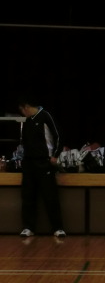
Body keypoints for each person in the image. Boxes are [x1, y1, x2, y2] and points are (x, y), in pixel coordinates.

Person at [17, 96, 66, 239]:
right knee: (28, 196)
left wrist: (55, 155)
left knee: (50, 196)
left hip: (44, 163)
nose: (22, 113)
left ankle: (58, 228)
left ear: (26, 107)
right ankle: (28, 227)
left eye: (22, 110)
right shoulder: (26, 121)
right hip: (29, 163)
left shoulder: (45, 116)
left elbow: (58, 136)